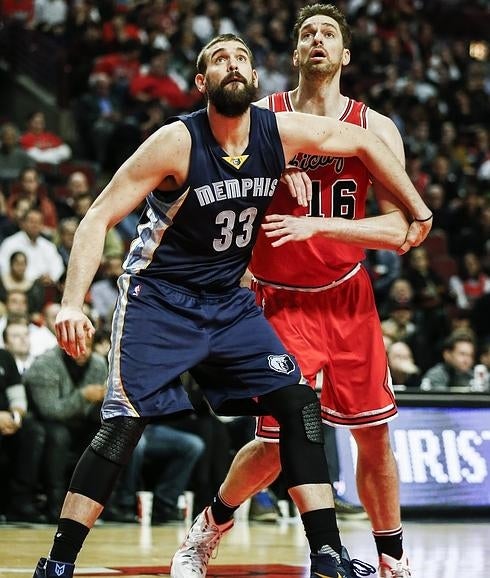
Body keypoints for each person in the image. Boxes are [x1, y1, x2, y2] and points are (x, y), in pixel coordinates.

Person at [32, 33, 430, 578]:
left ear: (255, 76)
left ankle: (329, 556)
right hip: (163, 298)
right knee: (125, 424)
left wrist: (416, 205)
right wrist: (71, 303)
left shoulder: (277, 132)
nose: (233, 64)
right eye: (220, 59)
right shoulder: (176, 141)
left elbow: (362, 143)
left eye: (242, 57)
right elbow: (97, 216)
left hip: (231, 302)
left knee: (297, 404)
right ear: (202, 83)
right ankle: (57, 563)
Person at [173, 7, 430, 578]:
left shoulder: (376, 128)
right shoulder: (264, 117)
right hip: (278, 298)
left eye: (329, 33)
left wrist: (322, 225)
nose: (317, 39)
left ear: (344, 56)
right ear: (294, 55)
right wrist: (268, 181)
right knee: (272, 444)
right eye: (307, 33)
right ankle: (209, 526)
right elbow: (224, 199)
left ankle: (392, 562)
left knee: (374, 436)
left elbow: (402, 229)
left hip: (347, 294)